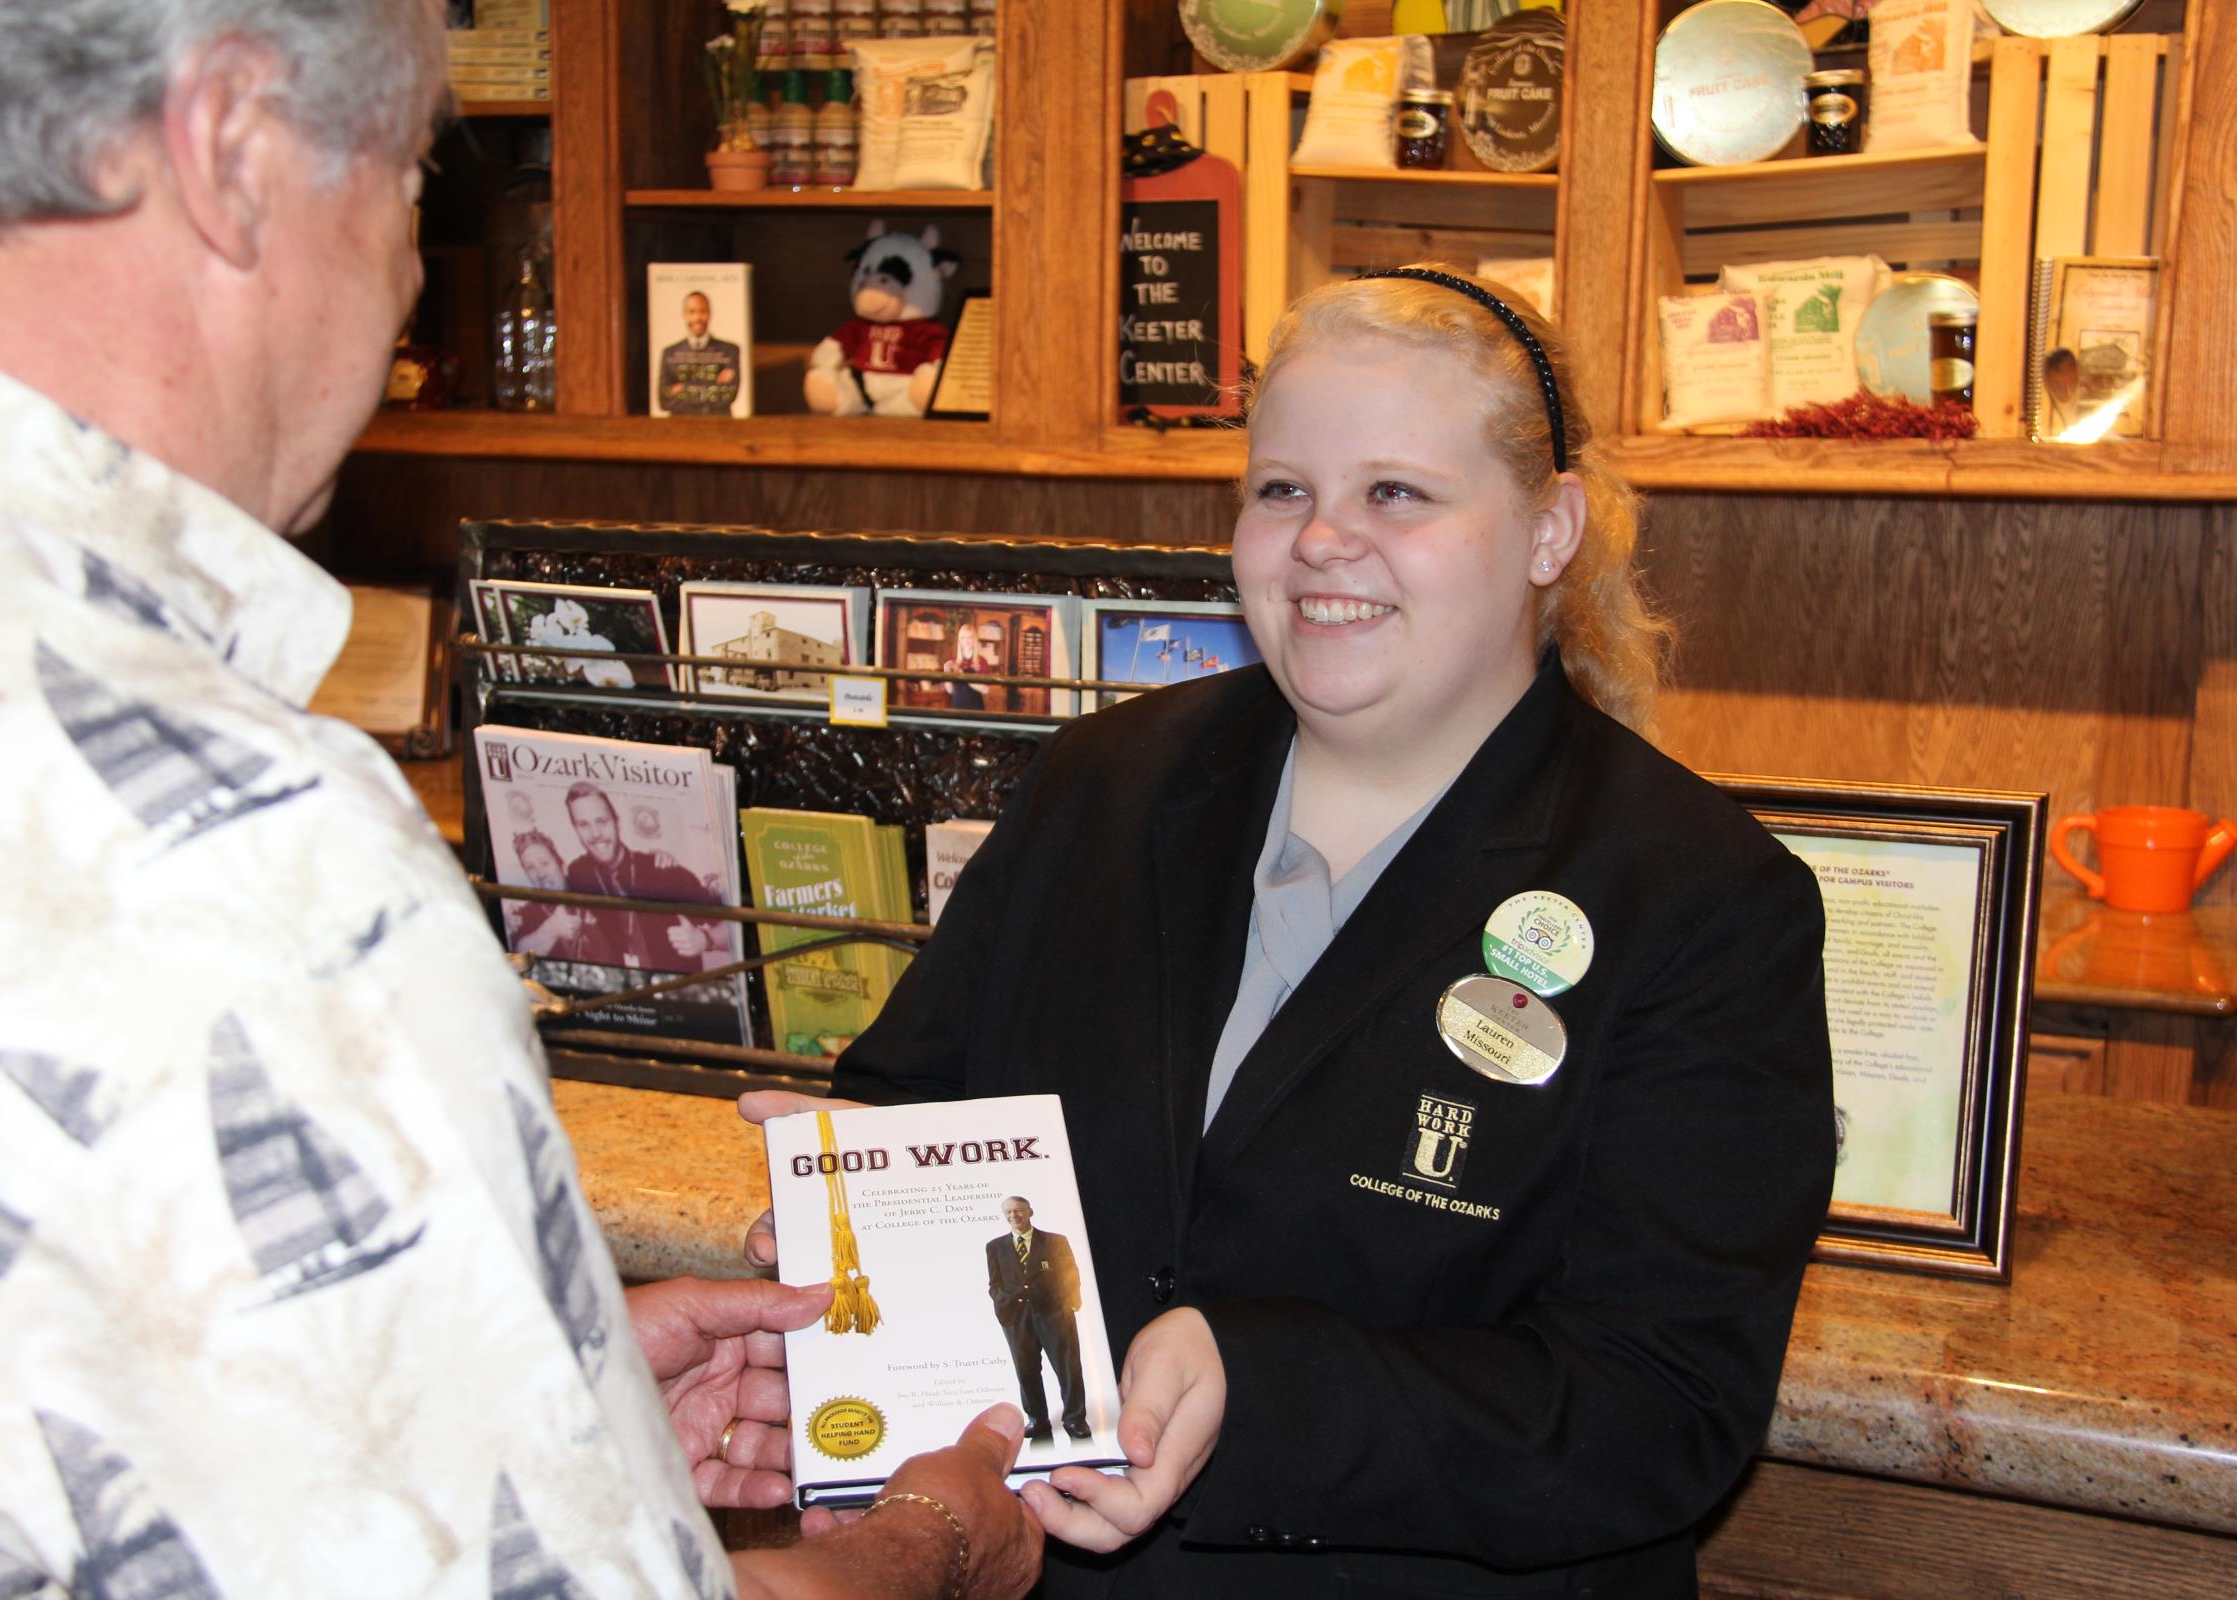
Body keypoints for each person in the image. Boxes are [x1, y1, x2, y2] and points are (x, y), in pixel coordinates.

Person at [0, 4, 1041, 1596]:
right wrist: (932, 1541)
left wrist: (541, 1409)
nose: (409, 277)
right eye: (411, 179)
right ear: (231, 146)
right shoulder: (223, 850)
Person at [747, 266, 1835, 1596]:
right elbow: (916, 1097)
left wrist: (1255, 1392)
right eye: (1281, 489)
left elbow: (1660, 1406)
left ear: (1550, 530)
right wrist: (851, 1210)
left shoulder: (1702, 898)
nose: (1322, 539)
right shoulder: (1100, 781)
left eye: (1397, 493)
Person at [562, 780, 733, 974]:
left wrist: (705, 939)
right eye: (583, 824)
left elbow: (735, 927)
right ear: (575, 829)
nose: (595, 834)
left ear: (617, 823)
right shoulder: (578, 873)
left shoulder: (664, 871)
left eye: (602, 821)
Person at [985, 1197, 1089, 1442]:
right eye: (1009, 1212)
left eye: (1018, 1210)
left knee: (1068, 1367)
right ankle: (1037, 1420)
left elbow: (1070, 1273)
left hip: (1054, 1314)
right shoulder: (995, 1247)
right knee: (1026, 1370)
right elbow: (994, 1283)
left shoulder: (1055, 1241)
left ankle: (1074, 1419)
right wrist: (1003, 1301)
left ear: (1030, 1212)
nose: (1014, 1215)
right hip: (1016, 1316)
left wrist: (1070, 1302)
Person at [507, 828, 591, 957]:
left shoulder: (590, 895)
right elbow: (518, 956)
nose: (540, 874)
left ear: (563, 867)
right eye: (531, 868)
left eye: (544, 863)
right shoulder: (524, 915)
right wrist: (552, 929)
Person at [660, 290, 743, 416]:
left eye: (702, 311)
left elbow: (728, 396)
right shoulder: (670, 353)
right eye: (692, 312)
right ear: (684, 315)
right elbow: (664, 400)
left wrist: (683, 388)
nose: (698, 318)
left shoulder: (729, 351)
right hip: (680, 425)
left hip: (718, 425)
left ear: (709, 313)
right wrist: (713, 386)